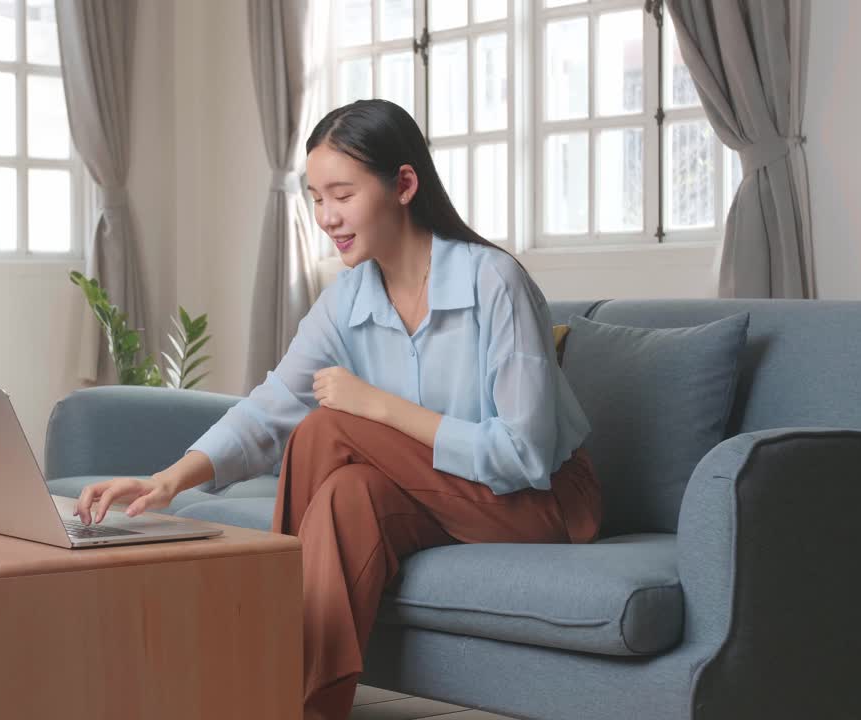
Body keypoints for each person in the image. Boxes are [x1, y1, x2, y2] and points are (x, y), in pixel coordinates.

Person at [74, 99, 601, 720]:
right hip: (441, 494)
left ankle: (259, 666)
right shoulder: (347, 297)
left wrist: (378, 406)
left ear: (404, 184)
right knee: (347, 496)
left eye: (341, 195)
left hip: (540, 504)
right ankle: (304, 708)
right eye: (317, 199)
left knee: (329, 427)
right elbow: (270, 407)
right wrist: (166, 480)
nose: (326, 217)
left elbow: (525, 454)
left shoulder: (494, 282)